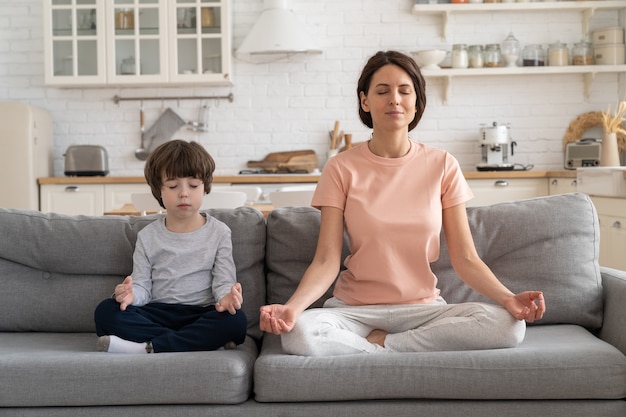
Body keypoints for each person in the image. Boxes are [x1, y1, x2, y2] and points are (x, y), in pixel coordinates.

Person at [259, 50, 545, 356]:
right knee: (299, 333)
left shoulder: (442, 165)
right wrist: (292, 308)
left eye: (404, 91)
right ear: (365, 101)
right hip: (355, 310)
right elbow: (326, 260)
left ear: (416, 102)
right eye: (382, 91)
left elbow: (466, 258)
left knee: (508, 326)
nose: (394, 99)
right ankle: (400, 351)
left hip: (421, 310)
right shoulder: (341, 168)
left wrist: (508, 299)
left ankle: (383, 346)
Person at [94, 140, 247, 353]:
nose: (184, 193)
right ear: (159, 191)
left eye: (193, 185)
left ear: (204, 188)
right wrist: (130, 295)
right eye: (173, 186)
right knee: (106, 311)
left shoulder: (219, 232)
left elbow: (223, 282)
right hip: (157, 312)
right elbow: (142, 287)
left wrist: (226, 298)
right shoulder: (147, 236)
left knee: (235, 321)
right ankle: (195, 342)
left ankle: (147, 347)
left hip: (201, 313)